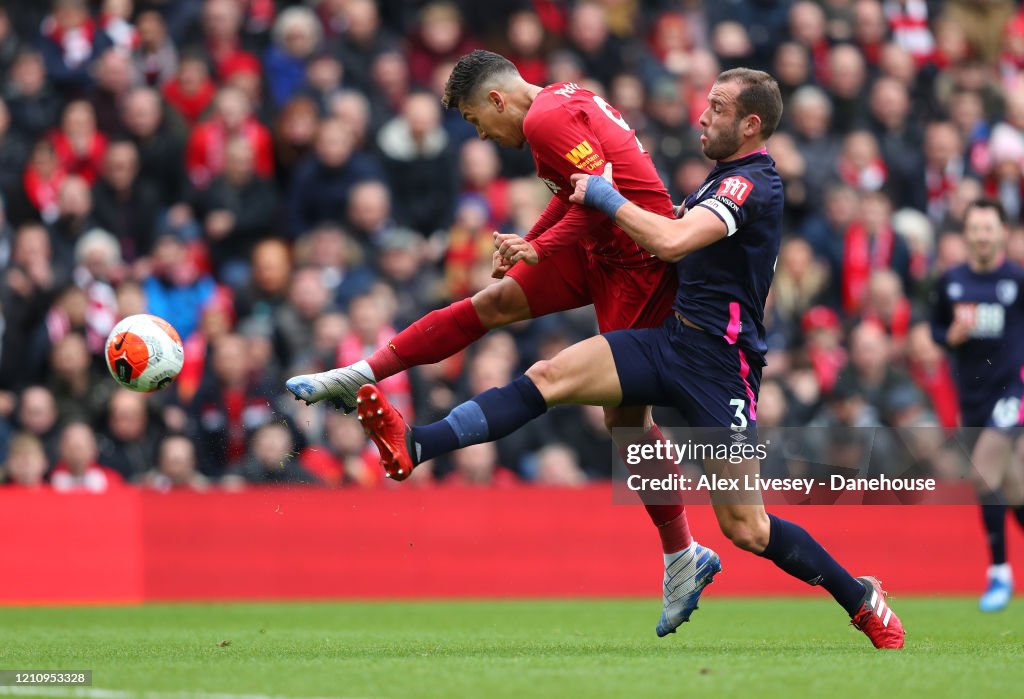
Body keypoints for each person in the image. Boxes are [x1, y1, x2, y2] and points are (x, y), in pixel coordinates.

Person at [356, 68, 905, 649]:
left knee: (748, 528)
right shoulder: (718, 183)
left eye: (717, 108)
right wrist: (552, 238)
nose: (702, 115)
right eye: (705, 103)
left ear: (750, 124)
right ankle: (419, 444)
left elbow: (668, 241)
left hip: (720, 366)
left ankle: (860, 597)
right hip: (668, 340)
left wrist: (605, 196)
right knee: (555, 380)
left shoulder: (751, 186)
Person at [287, 48, 698, 615]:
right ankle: (361, 371)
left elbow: (606, 200)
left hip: (639, 265)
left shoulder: (544, 120)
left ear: (496, 99)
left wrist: (539, 247)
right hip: (603, 251)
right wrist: (527, 244)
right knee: (495, 302)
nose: (480, 136)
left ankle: (682, 554)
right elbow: (578, 195)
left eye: (476, 120)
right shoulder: (560, 99)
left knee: (624, 422)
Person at [930, 198, 1024, 612]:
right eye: (976, 228)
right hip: (973, 396)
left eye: (989, 228)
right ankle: (1002, 569)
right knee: (1015, 486)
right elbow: (934, 329)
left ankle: (999, 572)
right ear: (965, 234)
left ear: (1002, 232)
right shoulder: (951, 281)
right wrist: (948, 336)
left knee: (984, 472)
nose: (983, 236)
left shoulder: (1017, 281)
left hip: (1013, 389)